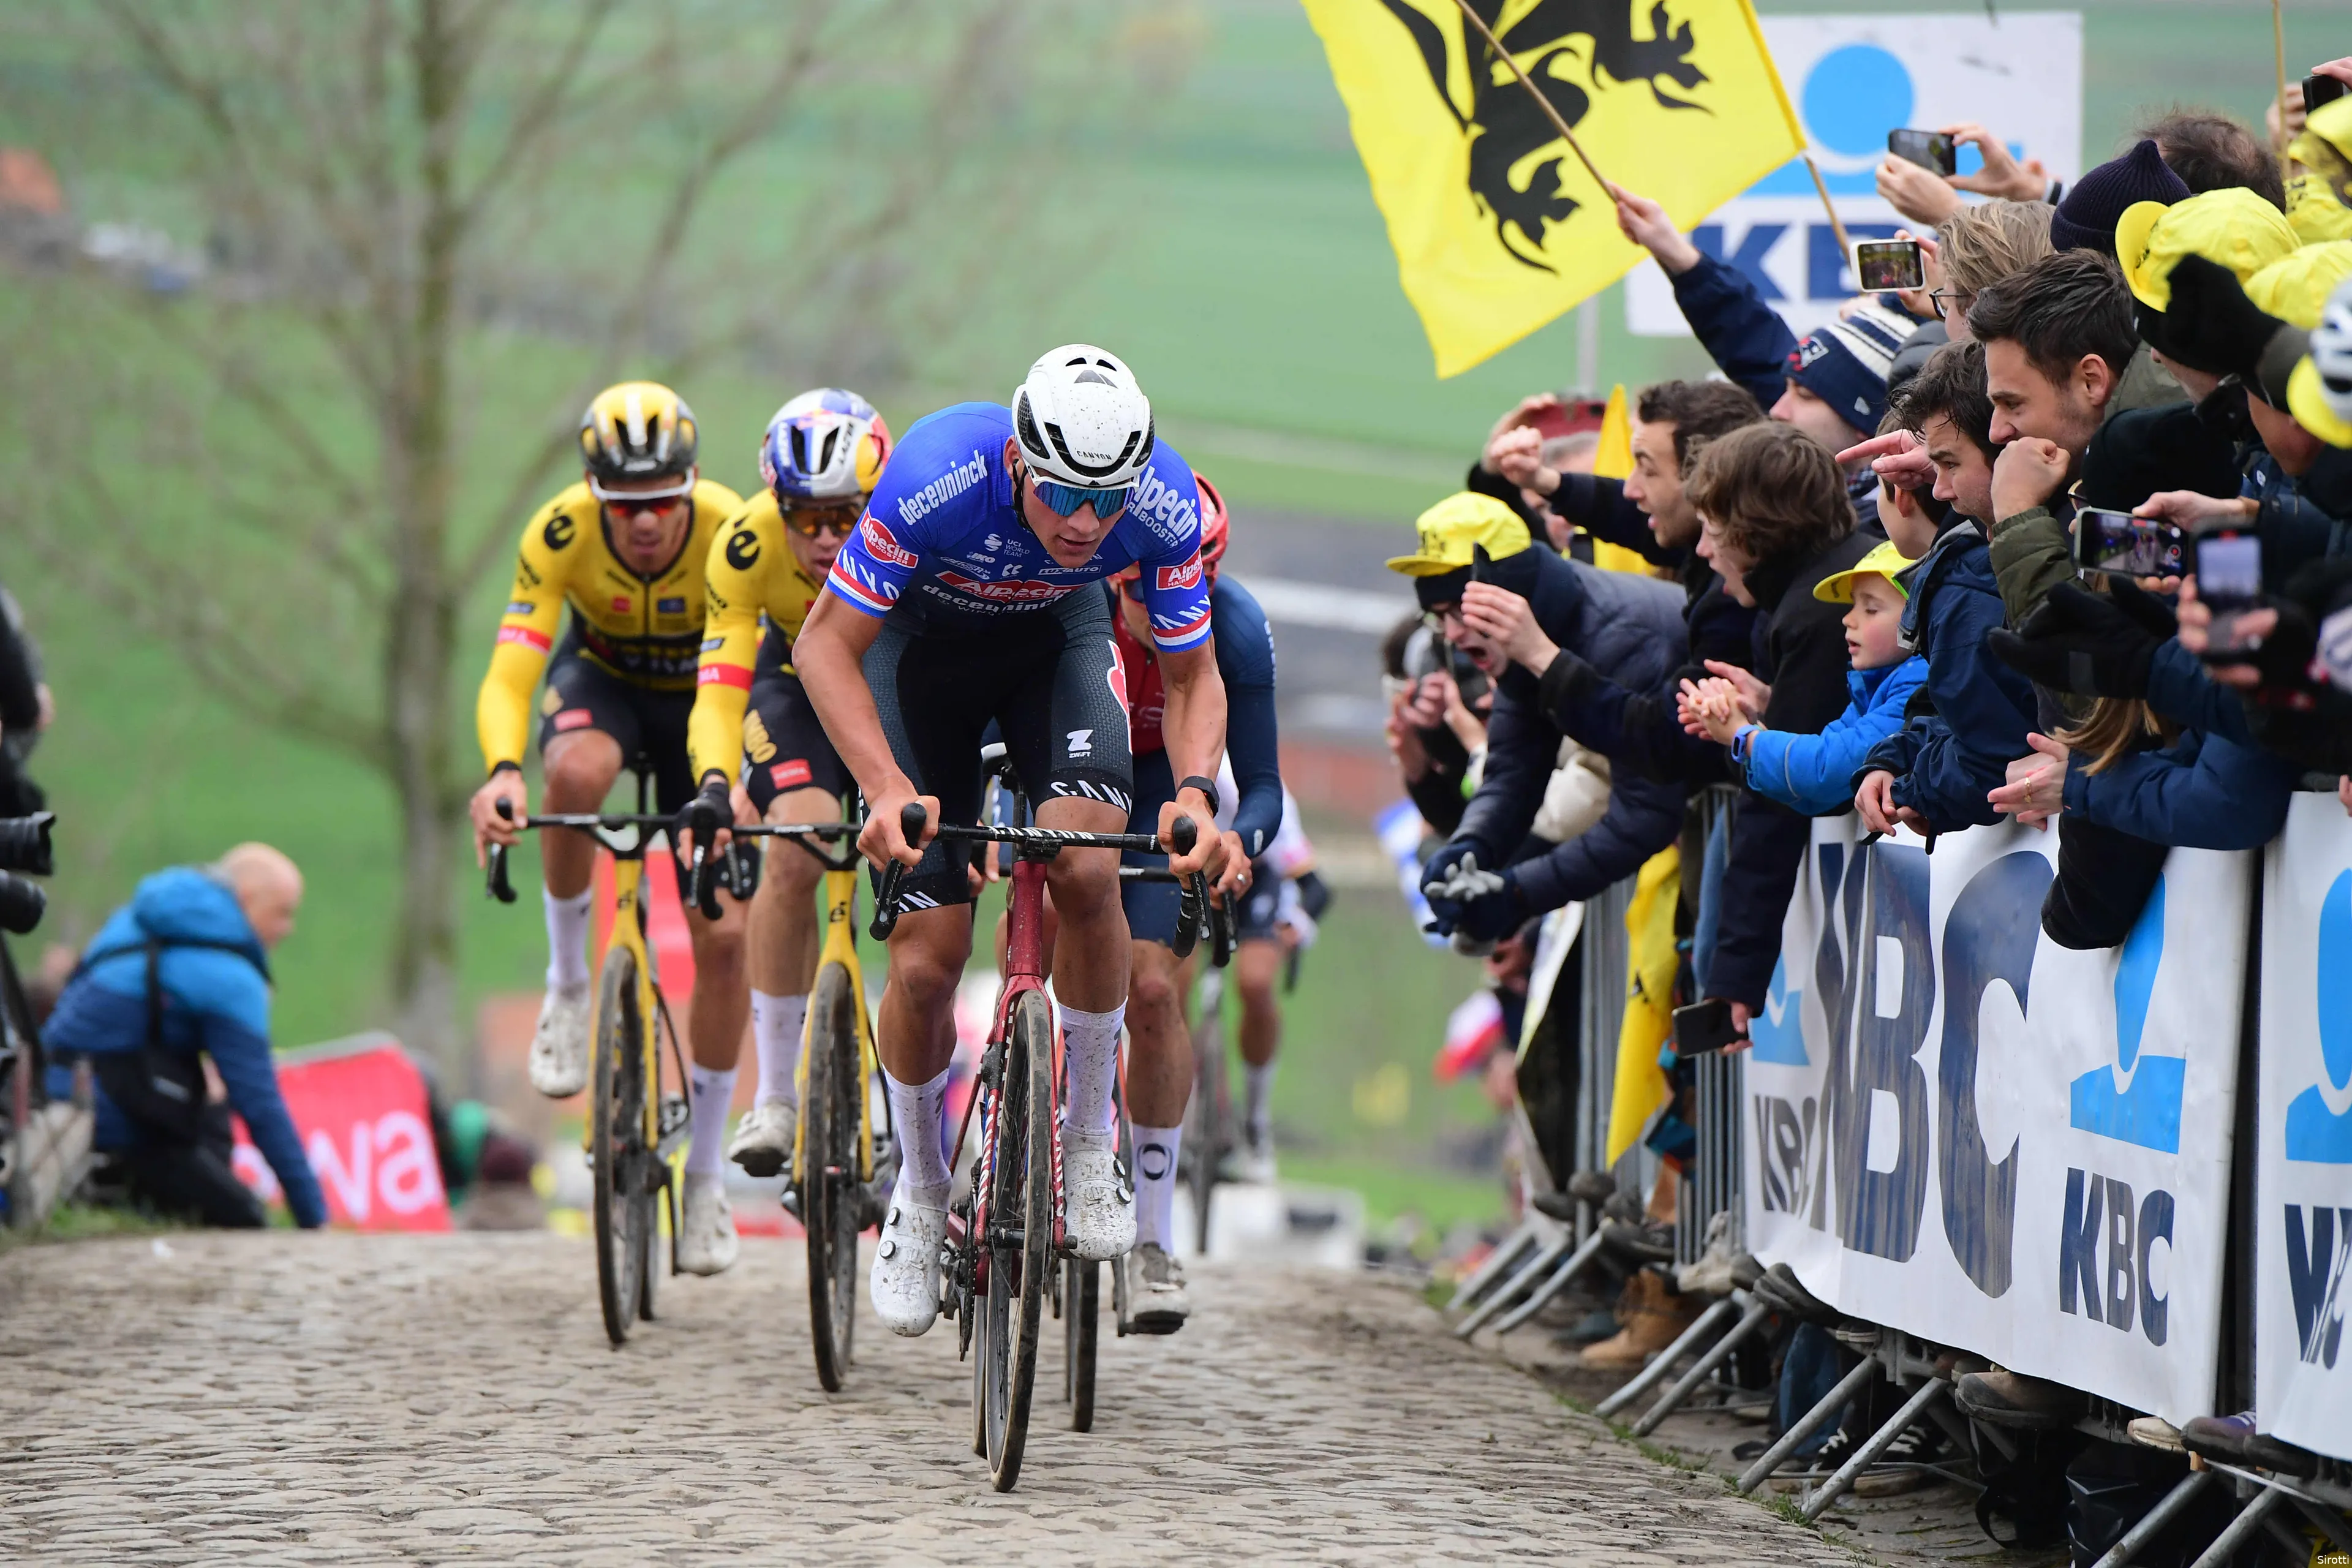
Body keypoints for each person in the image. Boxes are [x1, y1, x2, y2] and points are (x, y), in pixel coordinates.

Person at [790, 345, 1227, 1339]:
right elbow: (823, 645)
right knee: (931, 962)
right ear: (1022, 466)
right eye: (1065, 494)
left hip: (1052, 654)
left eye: (1106, 500)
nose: (1084, 523)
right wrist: (887, 785)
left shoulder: (1155, 502)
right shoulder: (939, 474)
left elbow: (1196, 675)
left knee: (1088, 867)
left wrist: (1198, 790)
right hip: (920, 667)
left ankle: (1083, 1139)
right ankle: (921, 1188)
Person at [466, 381, 752, 1275]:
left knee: (724, 936)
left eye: (662, 503)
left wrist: (740, 781)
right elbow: (513, 669)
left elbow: (764, 656)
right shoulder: (557, 533)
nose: (644, 525)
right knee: (575, 773)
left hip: (706, 705)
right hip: (604, 686)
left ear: (691, 484)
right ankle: (568, 986)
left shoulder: (729, 526)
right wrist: (502, 774)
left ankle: (704, 1178)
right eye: (624, 507)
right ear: (595, 496)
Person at [677, 390, 892, 1212]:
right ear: (777, 508)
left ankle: (907, 1109)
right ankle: (775, 1095)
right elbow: (722, 686)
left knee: (926, 867)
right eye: (806, 519)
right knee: (795, 842)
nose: (827, 539)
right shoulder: (744, 547)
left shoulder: (914, 533)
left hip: (892, 689)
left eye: (846, 516)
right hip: (793, 691)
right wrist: (713, 781)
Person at [1104, 473, 1271, 1330]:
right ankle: (1041, 1089)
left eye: (1182, 588)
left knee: (1157, 991)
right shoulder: (1076, 604)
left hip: (1164, 788)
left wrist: (1244, 838)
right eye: (1134, 591)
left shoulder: (1232, 626)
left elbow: (1267, 783)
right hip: (1076, 762)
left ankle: (1153, 1240)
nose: (1155, 610)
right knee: (1057, 897)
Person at [1395, 496, 1686, 944]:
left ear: (1509, 592)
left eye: (1461, 610)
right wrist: (1471, 846)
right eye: (1440, 619)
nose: (1451, 635)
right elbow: (1513, 771)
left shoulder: (1618, 639)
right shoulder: (1535, 628)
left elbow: (1643, 815)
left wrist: (1517, 894)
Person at [43, 844, 325, 1230]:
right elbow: (260, 1102)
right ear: (247, 898)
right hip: (115, 1123)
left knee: (208, 1100)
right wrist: (313, 1214)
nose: (287, 929)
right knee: (246, 1219)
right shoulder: (229, 977)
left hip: (52, 1093)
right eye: (282, 913)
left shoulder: (134, 919)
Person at [1606, 182, 1916, 516]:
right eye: (1787, 389)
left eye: (1806, 395)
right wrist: (1679, 257)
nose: (1777, 410)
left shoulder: (1891, 528)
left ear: (1865, 419)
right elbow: (1758, 349)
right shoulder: (1824, 501)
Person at [1682, 540, 1927, 816]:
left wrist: (1744, 738)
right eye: (1853, 604)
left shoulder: (1918, 686)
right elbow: (1815, 794)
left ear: (1921, 617)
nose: (1848, 619)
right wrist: (1754, 724)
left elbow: (1826, 767)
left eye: (1871, 609)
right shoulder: (1874, 686)